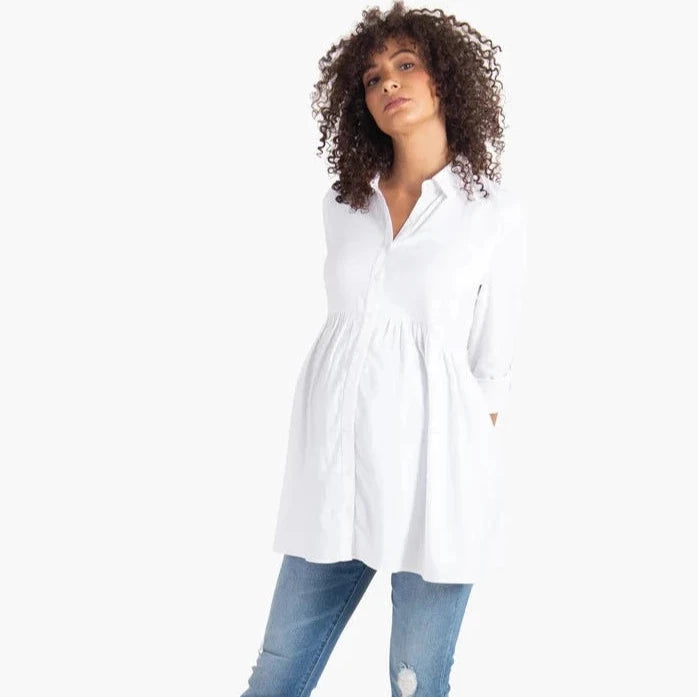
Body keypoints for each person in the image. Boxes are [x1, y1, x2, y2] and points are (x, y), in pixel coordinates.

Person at [240, 2, 528, 695]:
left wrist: (454, 473)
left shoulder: (491, 213)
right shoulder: (343, 205)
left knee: (415, 683)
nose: (389, 83)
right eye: (372, 77)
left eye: (405, 65)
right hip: (335, 478)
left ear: (444, 80)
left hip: (435, 486)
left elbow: (491, 368)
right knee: (275, 677)